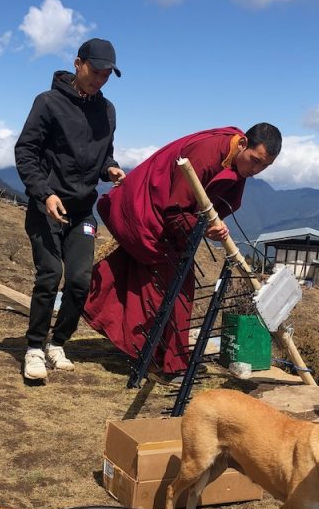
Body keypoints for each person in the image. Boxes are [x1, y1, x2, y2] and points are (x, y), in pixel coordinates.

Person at [83, 123, 281, 377]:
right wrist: (206, 229)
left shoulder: (234, 158)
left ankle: (157, 353)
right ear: (242, 143)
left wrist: (212, 223)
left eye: (264, 166)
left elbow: (216, 201)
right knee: (168, 286)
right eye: (254, 161)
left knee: (156, 279)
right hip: (147, 212)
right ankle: (156, 358)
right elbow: (176, 208)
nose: (255, 170)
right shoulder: (206, 155)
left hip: (169, 220)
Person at [15, 38, 126, 381]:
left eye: (107, 74)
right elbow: (25, 152)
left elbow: (105, 152)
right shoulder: (47, 103)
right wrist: (44, 193)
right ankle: (34, 347)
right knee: (49, 274)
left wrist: (110, 168)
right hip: (46, 206)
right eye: (95, 71)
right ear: (78, 64)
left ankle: (57, 342)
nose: (100, 79)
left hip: (81, 210)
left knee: (80, 279)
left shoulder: (107, 111)